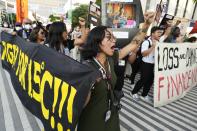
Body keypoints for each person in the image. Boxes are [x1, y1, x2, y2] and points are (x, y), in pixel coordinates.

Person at [77, 12, 155, 131]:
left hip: (111, 116)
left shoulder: (111, 58)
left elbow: (134, 43)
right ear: (97, 42)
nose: (114, 40)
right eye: (109, 37)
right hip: (92, 121)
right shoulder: (87, 68)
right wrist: (88, 86)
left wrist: (147, 24)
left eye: (114, 37)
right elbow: (79, 105)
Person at [130, 26, 163, 102]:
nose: (160, 34)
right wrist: (153, 47)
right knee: (143, 80)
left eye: (161, 33)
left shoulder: (159, 42)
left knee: (150, 81)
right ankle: (133, 92)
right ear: (152, 33)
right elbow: (144, 54)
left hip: (153, 64)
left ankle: (144, 95)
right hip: (145, 64)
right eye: (158, 32)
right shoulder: (146, 42)